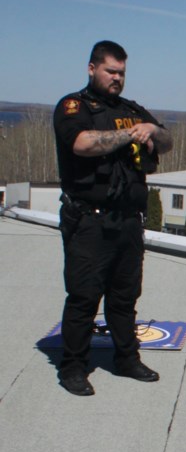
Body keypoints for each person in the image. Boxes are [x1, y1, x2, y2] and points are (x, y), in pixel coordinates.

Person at [53, 40, 173, 396]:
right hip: (88, 221)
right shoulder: (73, 106)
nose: (117, 78)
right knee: (84, 297)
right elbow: (82, 143)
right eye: (111, 71)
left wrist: (152, 131)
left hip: (128, 221)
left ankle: (126, 359)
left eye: (122, 73)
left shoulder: (132, 109)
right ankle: (73, 367)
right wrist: (129, 135)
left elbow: (166, 141)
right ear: (92, 69)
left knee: (124, 296)